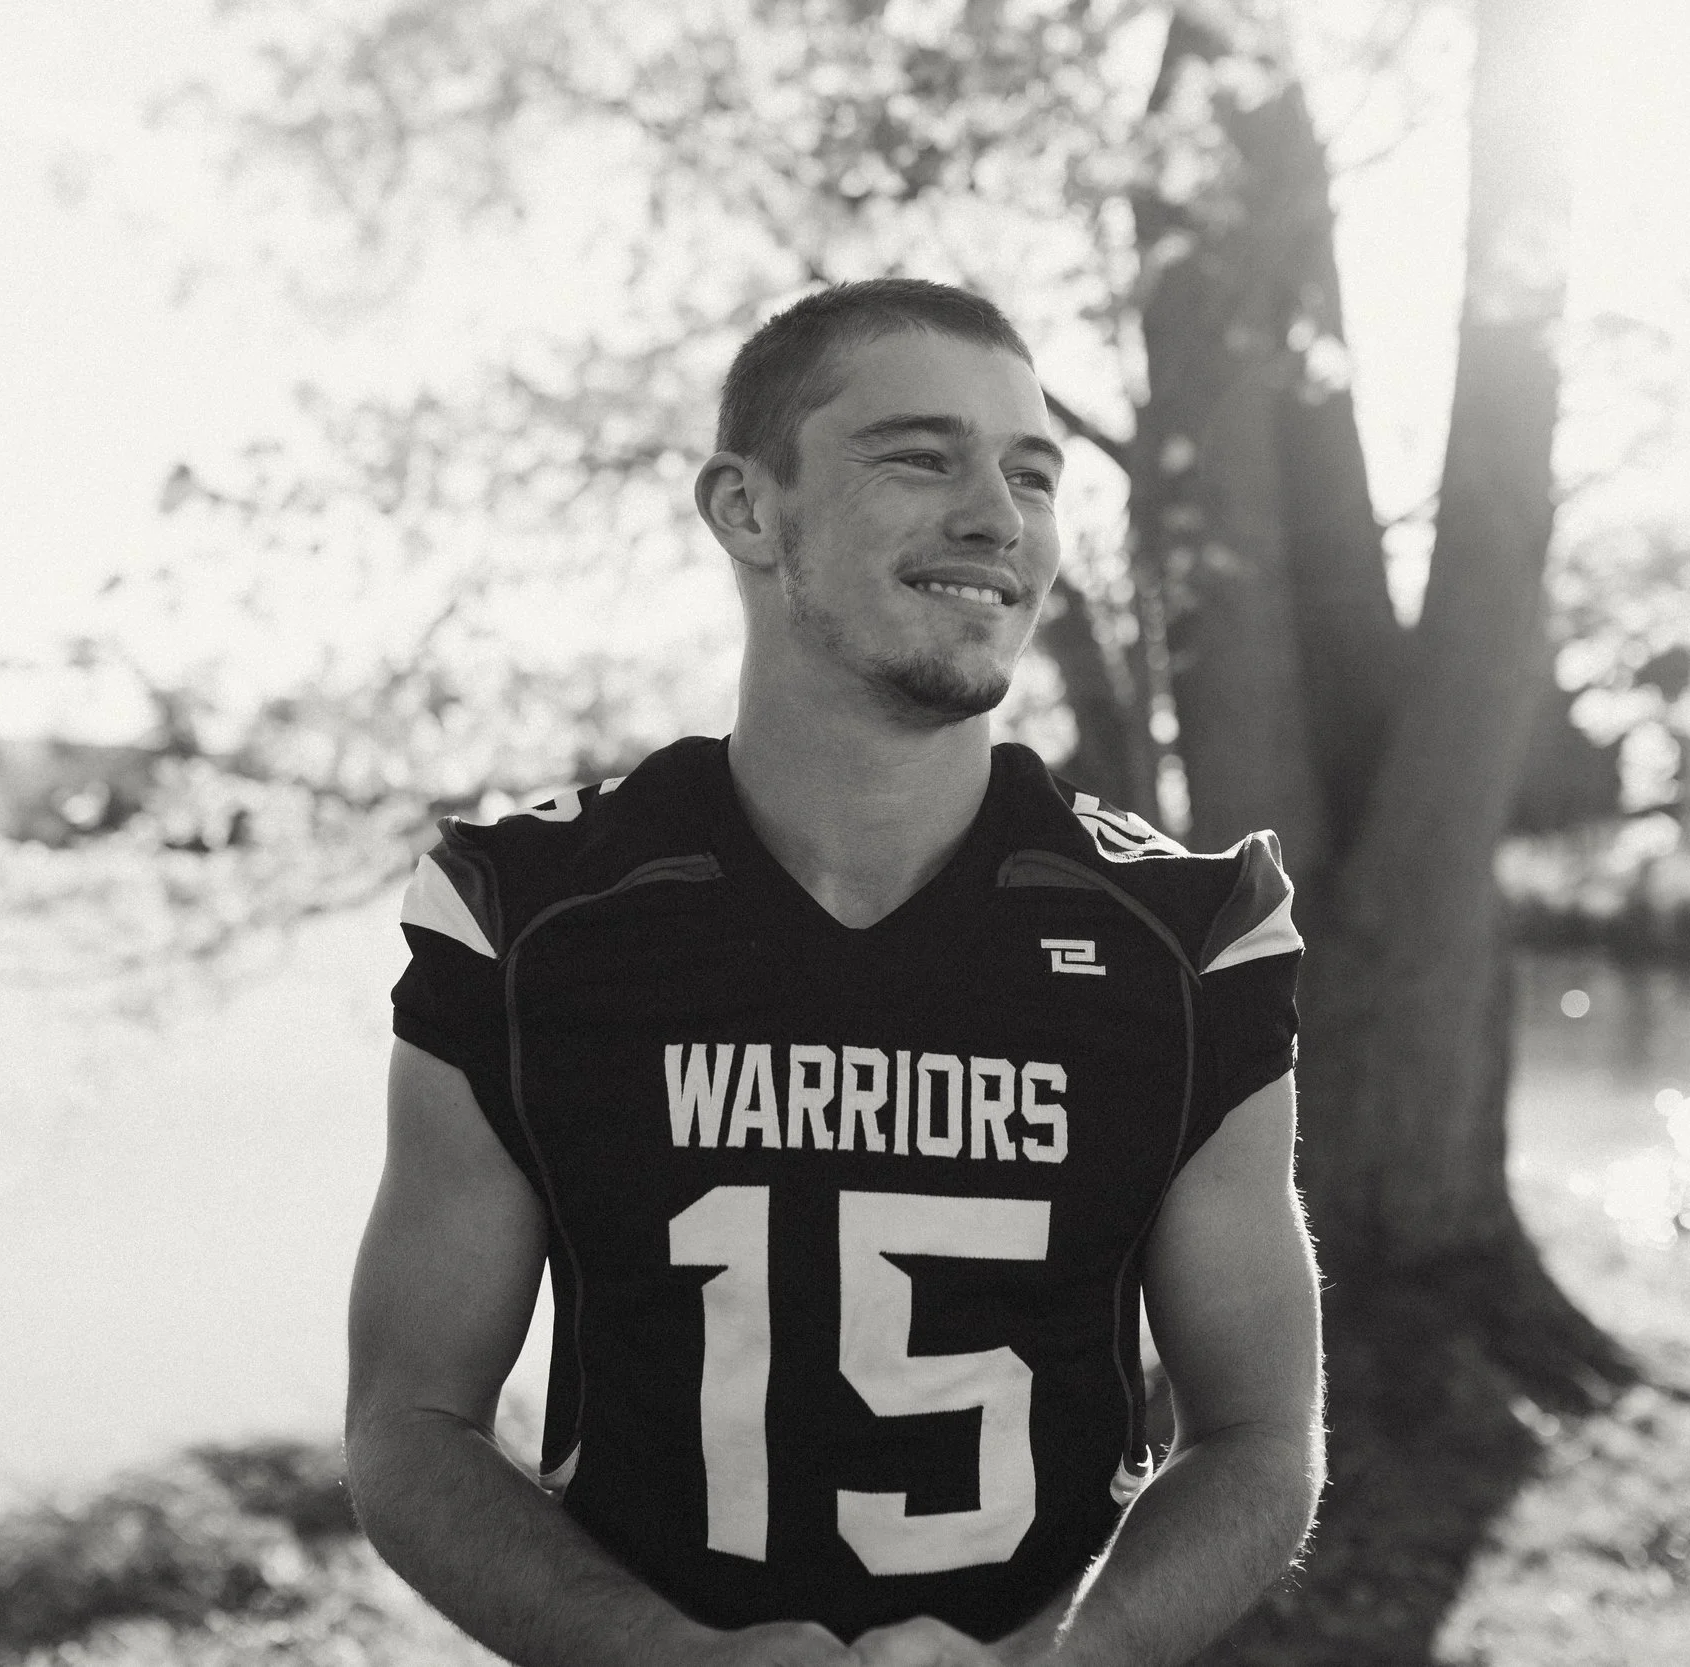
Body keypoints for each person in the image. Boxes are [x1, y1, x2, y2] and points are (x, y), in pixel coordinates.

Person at [349, 278, 1325, 1667]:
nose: (999, 516)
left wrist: (1063, 1659)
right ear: (751, 509)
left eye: (1032, 473)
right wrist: (668, 1656)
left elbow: (1257, 1433)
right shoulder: (528, 917)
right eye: (921, 455)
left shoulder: (1184, 933)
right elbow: (408, 1419)